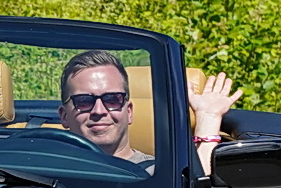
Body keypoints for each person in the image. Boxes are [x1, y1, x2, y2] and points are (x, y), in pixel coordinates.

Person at [57, 49, 242, 174]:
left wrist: (208, 118)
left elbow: (197, 186)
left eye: (112, 99)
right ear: (64, 116)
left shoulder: (157, 174)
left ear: (129, 112)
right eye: (84, 101)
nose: (99, 110)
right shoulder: (41, 168)